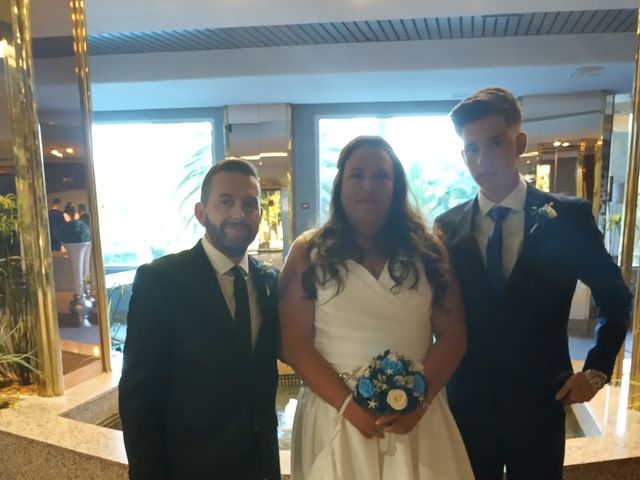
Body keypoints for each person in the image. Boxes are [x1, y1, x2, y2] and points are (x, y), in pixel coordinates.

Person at [435, 87, 632, 480]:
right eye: (471, 149)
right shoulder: (447, 227)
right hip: (467, 405)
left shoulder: (567, 216)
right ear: (462, 155)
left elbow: (615, 296)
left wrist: (595, 370)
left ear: (519, 143)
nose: (482, 159)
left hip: (541, 401)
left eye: (495, 143)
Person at [279, 135, 474, 479]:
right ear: (341, 184)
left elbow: (453, 333)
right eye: (357, 175)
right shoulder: (308, 251)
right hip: (333, 413)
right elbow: (294, 340)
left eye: (381, 176)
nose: (368, 186)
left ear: (395, 185)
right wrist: (348, 408)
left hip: (415, 416)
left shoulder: (429, 250)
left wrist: (420, 401)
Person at [119, 159, 281, 480]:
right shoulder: (161, 280)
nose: (239, 213)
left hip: (258, 466)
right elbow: (139, 395)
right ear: (201, 212)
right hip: (189, 466)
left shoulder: (268, 282)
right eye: (226, 201)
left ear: (260, 215)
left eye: (250, 204)